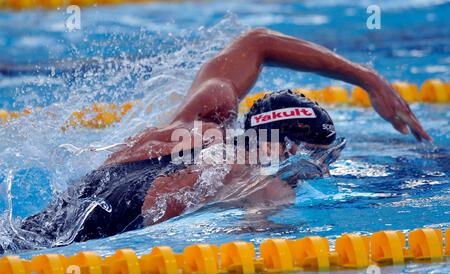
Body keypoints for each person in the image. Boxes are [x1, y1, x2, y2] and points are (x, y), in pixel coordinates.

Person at [16, 28, 431, 248]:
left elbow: (258, 42)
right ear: (288, 148)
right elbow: (253, 248)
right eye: (321, 159)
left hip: (51, 219)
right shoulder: (257, 174)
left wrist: (367, 79)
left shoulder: (201, 119)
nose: (322, 170)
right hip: (92, 241)